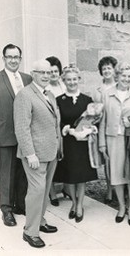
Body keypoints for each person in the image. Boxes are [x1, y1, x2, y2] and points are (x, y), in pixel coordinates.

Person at [14, 59, 61, 248]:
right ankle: (30, 231)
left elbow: (53, 123)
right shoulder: (25, 95)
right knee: (36, 192)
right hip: (34, 154)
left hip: (51, 152)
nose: (45, 76)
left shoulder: (50, 94)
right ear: (33, 73)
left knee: (44, 190)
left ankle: (40, 221)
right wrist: (30, 154)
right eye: (41, 72)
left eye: (48, 73)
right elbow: (22, 127)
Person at [99, 62, 130, 226]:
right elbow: (102, 120)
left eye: (129, 76)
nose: (126, 79)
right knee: (116, 175)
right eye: (123, 75)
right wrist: (102, 144)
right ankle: (121, 207)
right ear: (117, 76)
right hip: (113, 139)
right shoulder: (107, 94)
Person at [0, 43, 32, 226]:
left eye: (16, 57)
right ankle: (6, 210)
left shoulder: (28, 79)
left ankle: (20, 205)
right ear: (4, 58)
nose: (13, 60)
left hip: (25, 136)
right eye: (10, 57)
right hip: (4, 135)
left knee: (22, 173)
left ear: (20, 59)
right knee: (6, 174)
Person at [55, 64, 98, 223]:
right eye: (68, 79)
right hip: (68, 143)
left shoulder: (87, 100)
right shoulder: (58, 100)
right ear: (63, 80)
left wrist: (88, 130)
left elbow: (94, 121)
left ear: (79, 79)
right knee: (68, 177)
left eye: (74, 79)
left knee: (81, 176)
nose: (72, 82)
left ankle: (79, 205)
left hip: (83, 144)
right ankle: (73, 201)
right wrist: (68, 130)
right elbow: (56, 122)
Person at [92, 56, 117, 203]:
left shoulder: (120, 86)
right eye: (104, 68)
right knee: (108, 161)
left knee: (120, 160)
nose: (107, 71)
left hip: (118, 128)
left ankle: (121, 188)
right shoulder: (97, 91)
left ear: (114, 70)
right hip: (103, 128)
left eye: (109, 68)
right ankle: (109, 189)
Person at [45, 56, 67, 206]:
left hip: (64, 126)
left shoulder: (63, 86)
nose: (53, 74)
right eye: (51, 71)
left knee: (65, 160)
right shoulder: (46, 89)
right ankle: (51, 193)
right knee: (51, 160)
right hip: (51, 127)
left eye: (56, 71)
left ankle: (66, 188)